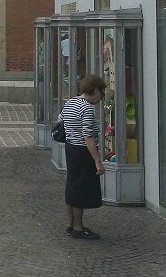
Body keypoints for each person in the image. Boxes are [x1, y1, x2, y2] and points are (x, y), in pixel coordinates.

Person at [58, 73, 106, 240]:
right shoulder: (86, 108)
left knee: (73, 184)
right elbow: (88, 137)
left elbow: (61, 120)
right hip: (83, 151)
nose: (101, 97)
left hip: (70, 148)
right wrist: (98, 161)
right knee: (80, 187)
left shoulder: (71, 102)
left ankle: (71, 224)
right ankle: (78, 228)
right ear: (95, 90)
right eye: (101, 93)